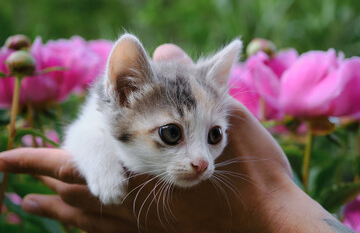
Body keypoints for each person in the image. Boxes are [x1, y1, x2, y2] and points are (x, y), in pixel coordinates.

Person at [0, 44, 354, 233]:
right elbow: (84, 134)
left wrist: (268, 212)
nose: (203, 161)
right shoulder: (116, 110)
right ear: (124, 93)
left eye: (215, 135)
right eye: (172, 133)